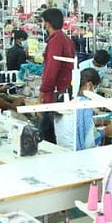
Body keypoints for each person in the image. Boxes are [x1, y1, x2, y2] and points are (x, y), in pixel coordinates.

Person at [54, 68, 112, 150]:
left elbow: (75, 123)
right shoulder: (84, 104)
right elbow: (89, 143)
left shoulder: (65, 98)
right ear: (89, 85)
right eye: (95, 88)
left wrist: (100, 122)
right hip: (77, 153)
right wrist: (106, 131)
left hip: (62, 149)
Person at [39, 8, 74, 143]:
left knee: (45, 139)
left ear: (47, 23)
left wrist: (41, 94)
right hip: (64, 93)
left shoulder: (56, 41)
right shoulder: (66, 39)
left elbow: (51, 70)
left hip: (54, 96)